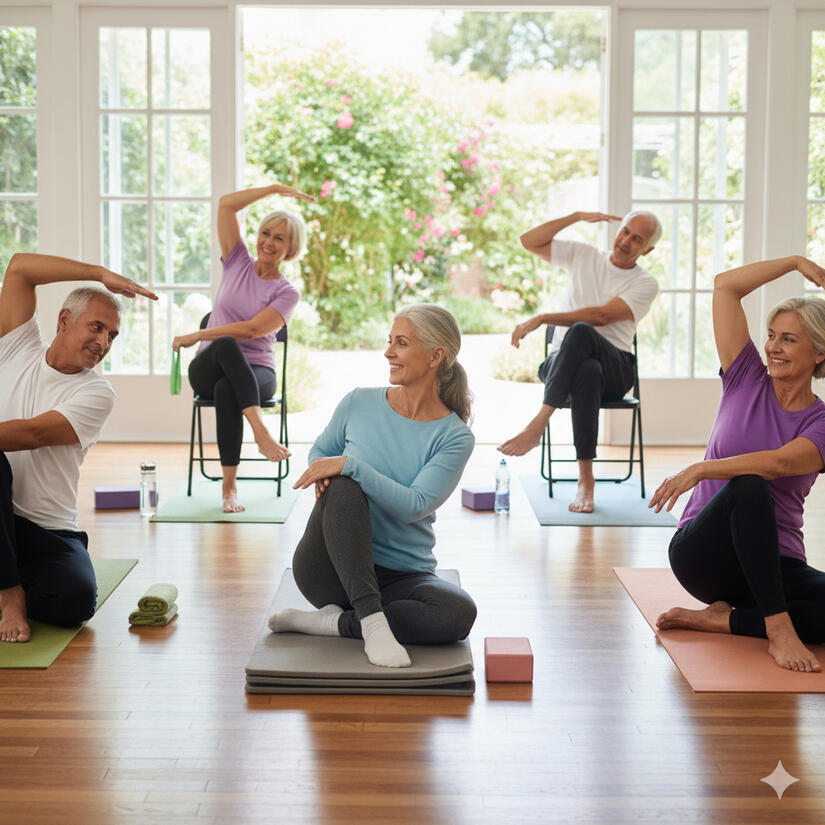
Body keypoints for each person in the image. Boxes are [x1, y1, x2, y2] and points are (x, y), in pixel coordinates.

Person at [267, 304, 477, 668]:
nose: (388, 352)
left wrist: (350, 465)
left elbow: (416, 504)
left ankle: (333, 623)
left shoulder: (454, 436)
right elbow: (321, 452)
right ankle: (373, 623)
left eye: (401, 343)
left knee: (458, 613)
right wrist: (331, 472)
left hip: (402, 576)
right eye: (389, 341)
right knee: (345, 486)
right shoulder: (358, 402)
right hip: (329, 571)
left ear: (435, 356)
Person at [649, 256, 825, 673]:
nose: (773, 348)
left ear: (819, 353)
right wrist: (795, 263)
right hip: (704, 555)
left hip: (775, 566)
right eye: (771, 336)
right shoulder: (745, 376)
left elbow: (780, 463)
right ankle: (778, 630)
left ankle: (719, 620)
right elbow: (725, 287)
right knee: (747, 486)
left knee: (755, 477)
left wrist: (702, 469)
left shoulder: (821, 423)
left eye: (789, 340)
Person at [0, 252, 157, 643]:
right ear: (65, 320)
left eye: (112, 336)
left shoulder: (97, 391)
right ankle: (10, 592)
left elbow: (32, 434)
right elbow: (19, 268)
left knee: (75, 602)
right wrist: (101, 275)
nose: (103, 342)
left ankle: (8, 574)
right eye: (98, 327)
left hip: (47, 529)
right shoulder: (17, 347)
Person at [499, 210, 661, 513]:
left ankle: (539, 422)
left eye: (637, 239)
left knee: (584, 330)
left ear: (647, 250)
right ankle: (586, 482)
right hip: (565, 365)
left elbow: (600, 316)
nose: (625, 240)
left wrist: (543, 317)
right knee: (587, 369)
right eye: (625, 231)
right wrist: (574, 217)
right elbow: (528, 241)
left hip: (616, 370)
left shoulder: (645, 283)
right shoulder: (583, 255)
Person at [173, 183, 315, 513]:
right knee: (223, 346)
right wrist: (275, 189)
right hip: (207, 366)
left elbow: (252, 330)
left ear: (291, 248)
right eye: (266, 233)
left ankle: (228, 488)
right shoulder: (236, 260)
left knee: (228, 389)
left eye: (279, 238)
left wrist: (198, 333)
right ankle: (261, 432)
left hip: (258, 373)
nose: (269, 242)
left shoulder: (287, 293)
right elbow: (225, 205)